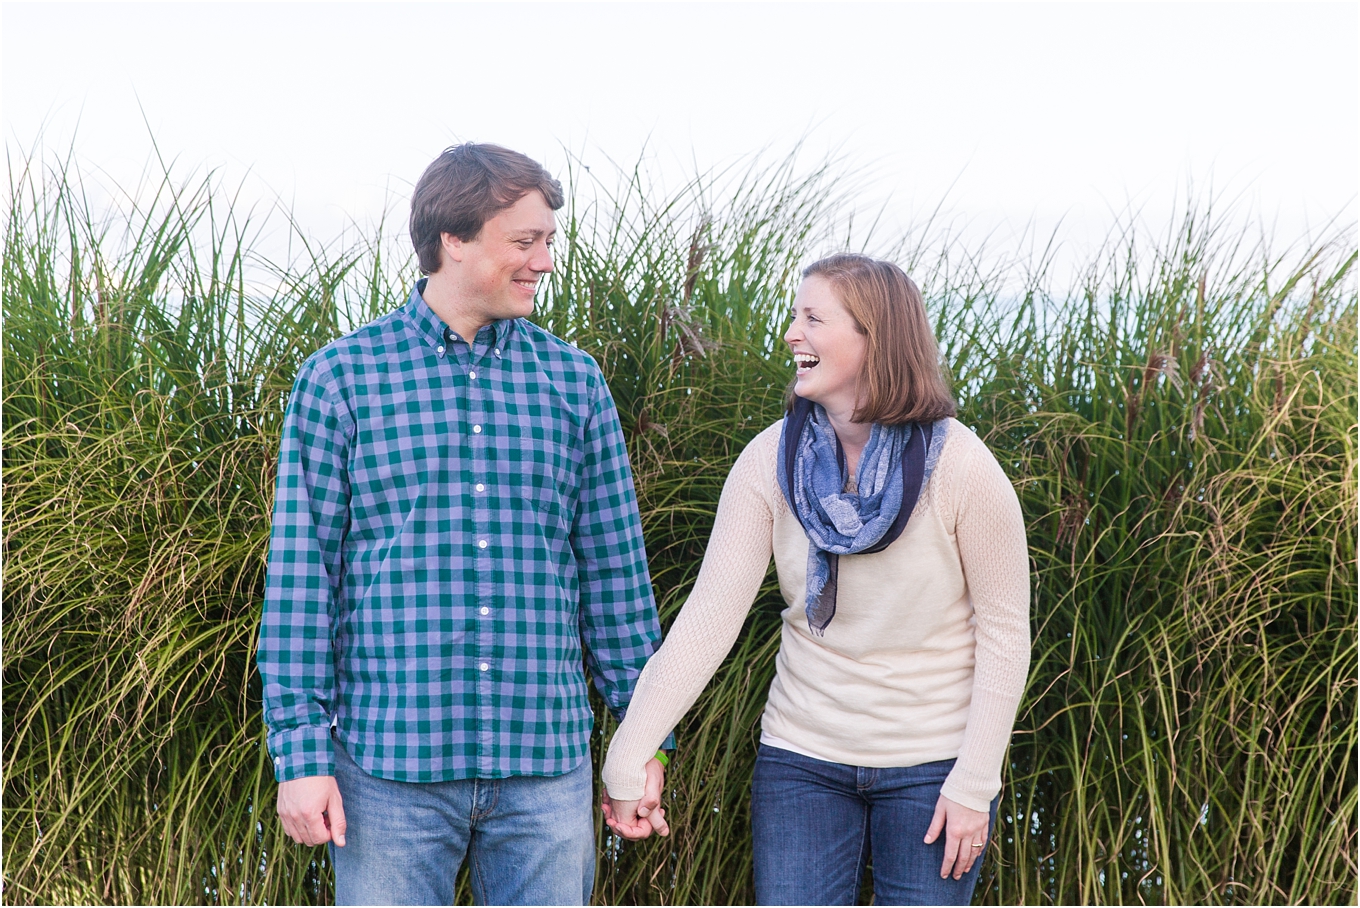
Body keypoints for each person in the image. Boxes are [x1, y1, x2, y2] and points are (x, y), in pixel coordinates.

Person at [257, 143, 671, 907]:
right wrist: (300, 755)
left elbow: (616, 579)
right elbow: (301, 584)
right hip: (389, 771)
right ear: (453, 239)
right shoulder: (342, 378)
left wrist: (640, 743)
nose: (545, 260)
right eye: (526, 241)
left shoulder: (574, 383)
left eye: (548, 241)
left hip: (544, 769)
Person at [601, 253, 1031, 905]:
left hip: (932, 768)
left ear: (874, 338)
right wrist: (628, 752)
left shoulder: (962, 468)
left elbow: (1004, 634)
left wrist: (975, 783)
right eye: (794, 315)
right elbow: (709, 621)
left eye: (812, 318)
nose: (790, 334)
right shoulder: (769, 465)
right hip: (801, 760)